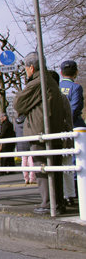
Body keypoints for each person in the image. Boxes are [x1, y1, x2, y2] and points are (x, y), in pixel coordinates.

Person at [13, 52, 66, 214]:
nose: (26, 71)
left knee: (42, 168)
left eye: (26, 68)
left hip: (40, 131)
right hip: (53, 129)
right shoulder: (50, 81)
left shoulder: (37, 82)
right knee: (55, 169)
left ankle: (47, 203)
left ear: (32, 67)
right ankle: (57, 202)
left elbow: (18, 103)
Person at [60, 60, 84, 206]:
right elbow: (75, 108)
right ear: (76, 72)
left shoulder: (56, 87)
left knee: (64, 162)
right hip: (75, 127)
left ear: (61, 73)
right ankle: (76, 191)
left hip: (59, 129)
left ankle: (67, 194)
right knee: (79, 159)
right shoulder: (76, 88)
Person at [51, 70, 75, 206]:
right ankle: (70, 195)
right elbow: (69, 118)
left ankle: (60, 197)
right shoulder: (62, 97)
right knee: (67, 169)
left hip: (57, 139)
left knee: (58, 169)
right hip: (66, 136)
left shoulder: (53, 97)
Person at [14, 114, 36, 185]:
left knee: (24, 160)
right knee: (31, 159)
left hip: (20, 143)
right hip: (28, 141)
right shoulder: (27, 119)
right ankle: (32, 177)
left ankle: (26, 178)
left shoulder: (16, 121)